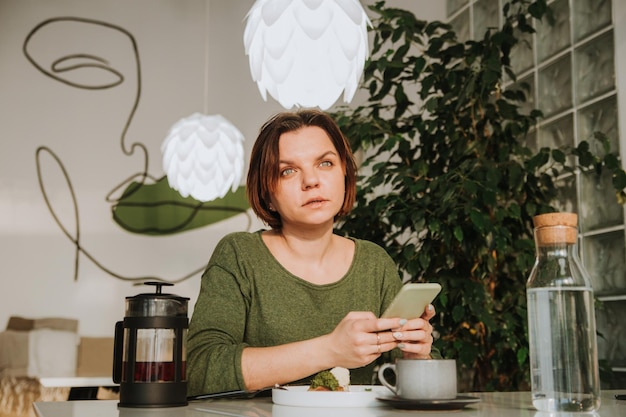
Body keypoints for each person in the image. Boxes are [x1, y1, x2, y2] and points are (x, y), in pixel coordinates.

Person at [186, 109, 437, 395]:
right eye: (288, 171)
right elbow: (199, 369)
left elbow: (422, 394)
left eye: (325, 163)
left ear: (344, 171)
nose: (311, 181)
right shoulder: (240, 255)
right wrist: (330, 349)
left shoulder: (373, 263)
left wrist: (417, 356)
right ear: (267, 192)